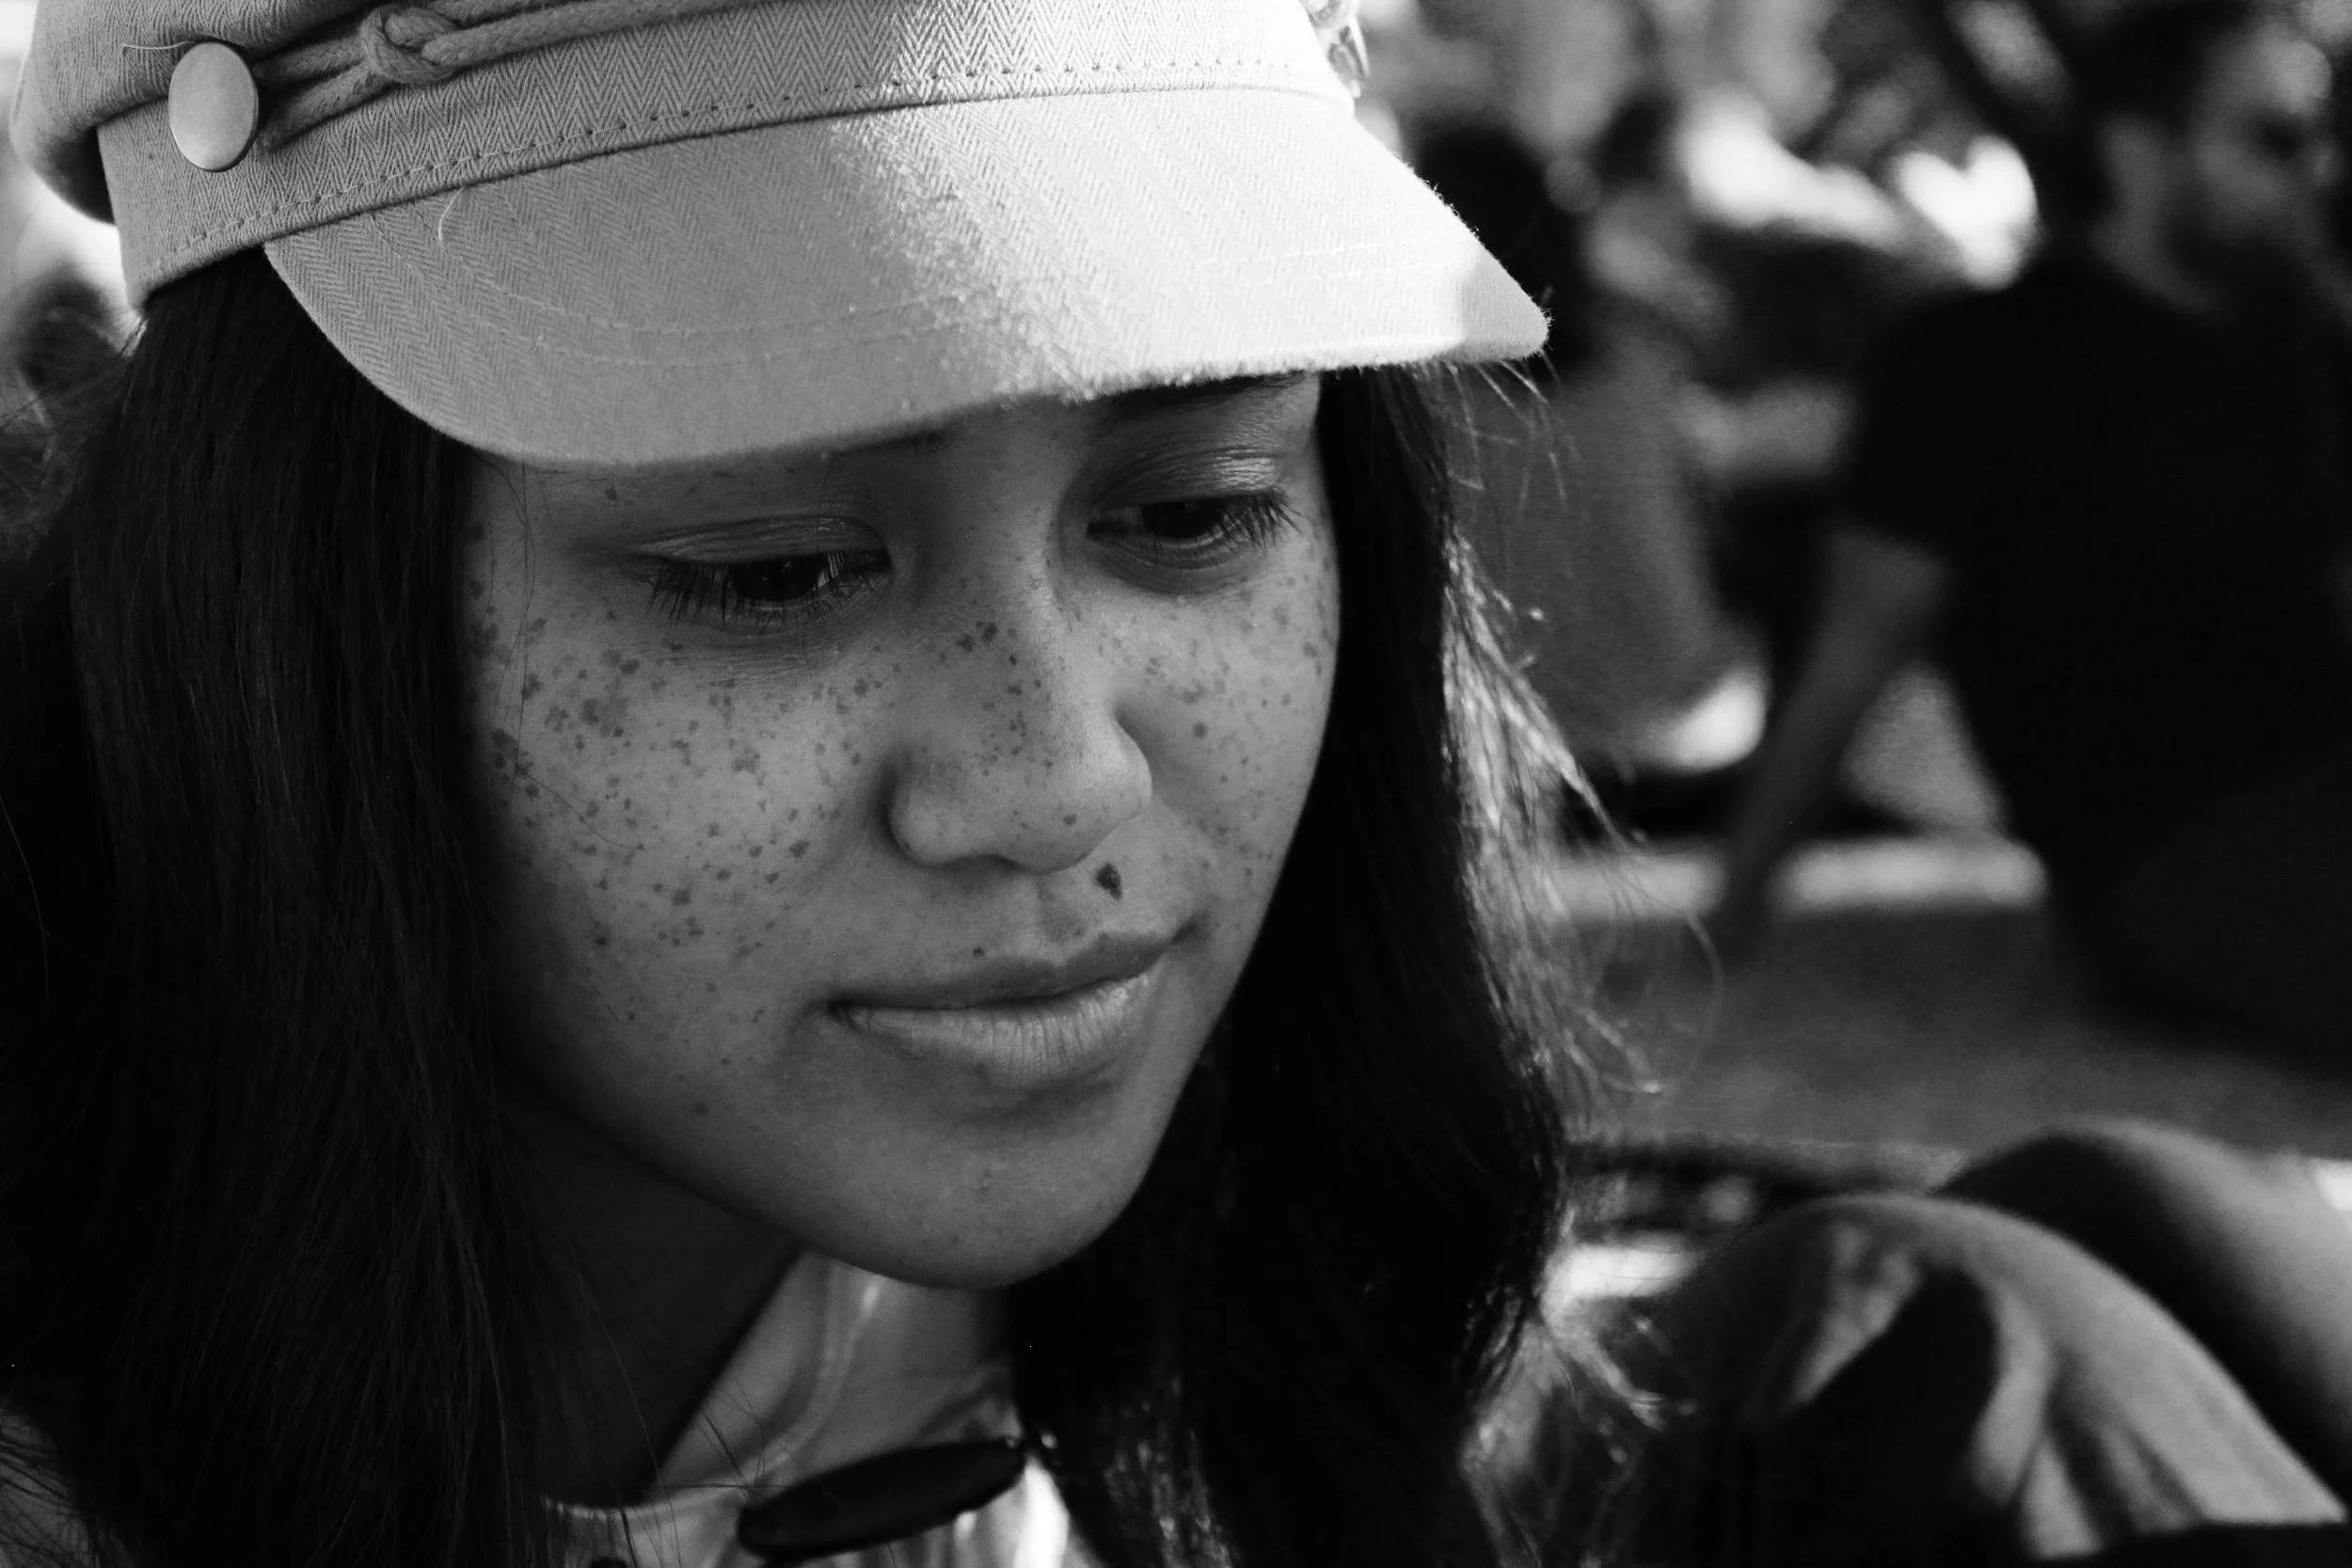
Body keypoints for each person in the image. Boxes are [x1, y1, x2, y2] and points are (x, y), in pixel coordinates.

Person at [2, 2, 2352, 1566]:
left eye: (1191, 512)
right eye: (772, 566)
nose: (1048, 778)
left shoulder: (1263, 1220)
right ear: (275, 614)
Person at [1709, 0, 2352, 1053]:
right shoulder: (1974, 362)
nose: (2316, 171)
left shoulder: (2300, 333)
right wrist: (1731, 915)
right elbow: (1848, 655)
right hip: (2171, 850)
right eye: (2274, 138)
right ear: (2141, 153)